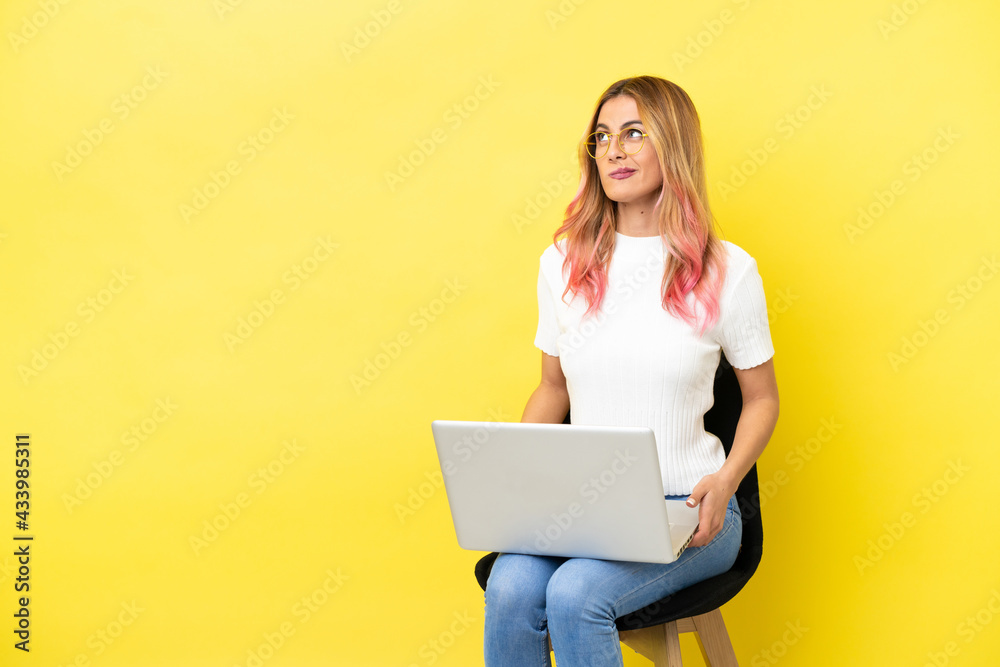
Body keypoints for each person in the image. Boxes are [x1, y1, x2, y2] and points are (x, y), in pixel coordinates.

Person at [482, 75, 780, 667]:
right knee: (510, 585)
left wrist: (726, 482)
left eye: (634, 133)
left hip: (691, 509)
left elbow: (763, 399)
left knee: (574, 595)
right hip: (583, 507)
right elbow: (552, 389)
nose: (613, 150)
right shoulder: (563, 263)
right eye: (602, 137)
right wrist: (516, 489)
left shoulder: (729, 270)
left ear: (674, 145)